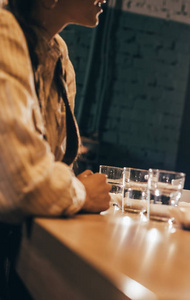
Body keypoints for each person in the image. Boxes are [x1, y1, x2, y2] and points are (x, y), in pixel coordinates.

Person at [0, 0, 110, 298]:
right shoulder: (3, 29)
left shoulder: (58, 54)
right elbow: (26, 184)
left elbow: (53, 166)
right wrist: (82, 193)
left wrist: (64, 186)